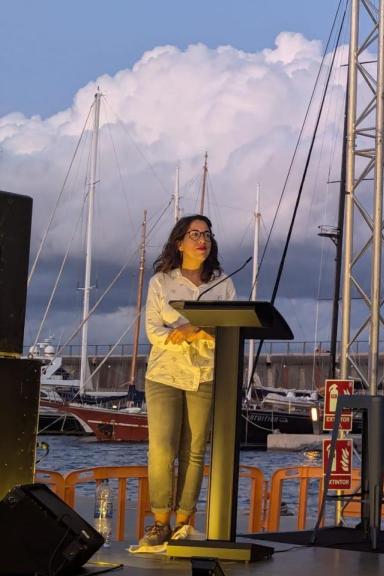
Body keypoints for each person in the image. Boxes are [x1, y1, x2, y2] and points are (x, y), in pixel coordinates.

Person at [137, 215, 236, 546]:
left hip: (204, 375)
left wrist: (191, 330)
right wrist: (188, 333)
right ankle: (160, 521)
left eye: (207, 234)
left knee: (194, 450)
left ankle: (183, 520)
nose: (202, 240)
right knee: (162, 449)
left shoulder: (223, 284)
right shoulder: (161, 282)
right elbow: (153, 331)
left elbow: (228, 328)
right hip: (164, 374)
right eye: (195, 234)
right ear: (179, 242)